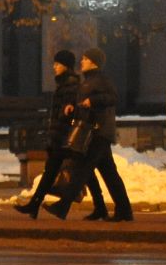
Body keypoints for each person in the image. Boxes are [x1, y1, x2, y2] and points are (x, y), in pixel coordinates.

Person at [14, 49, 103, 220]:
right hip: (61, 136)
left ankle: (38, 205)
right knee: (74, 172)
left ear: (66, 66)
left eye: (57, 64)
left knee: (80, 172)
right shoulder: (65, 84)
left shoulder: (70, 86)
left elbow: (71, 111)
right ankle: (34, 205)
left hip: (65, 137)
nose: (54, 67)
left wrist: (66, 114)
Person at [48, 47, 133, 222]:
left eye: (85, 59)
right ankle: (121, 210)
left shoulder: (101, 80)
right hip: (94, 131)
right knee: (110, 174)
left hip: (98, 132)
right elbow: (84, 102)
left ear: (94, 62)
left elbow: (113, 98)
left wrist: (92, 101)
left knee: (82, 170)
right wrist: (73, 106)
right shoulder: (88, 81)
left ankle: (63, 206)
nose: (82, 62)